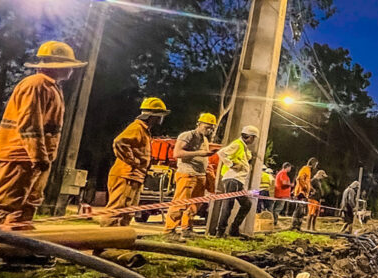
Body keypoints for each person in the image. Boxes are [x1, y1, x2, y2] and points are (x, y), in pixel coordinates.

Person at [0, 42, 86, 229]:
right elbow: (29, 125)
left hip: (34, 158)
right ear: (57, 66)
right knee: (4, 202)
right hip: (21, 155)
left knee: (27, 203)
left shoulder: (51, 87)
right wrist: (38, 156)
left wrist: (43, 158)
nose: (72, 69)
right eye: (69, 64)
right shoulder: (36, 85)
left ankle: (16, 247)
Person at [99, 97, 169, 227]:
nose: (161, 119)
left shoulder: (144, 131)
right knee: (117, 210)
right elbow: (119, 142)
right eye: (160, 115)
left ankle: (118, 240)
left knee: (128, 211)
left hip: (134, 176)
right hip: (126, 175)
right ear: (152, 116)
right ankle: (105, 240)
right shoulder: (137, 128)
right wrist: (134, 161)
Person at [163, 112, 217, 241]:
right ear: (198, 124)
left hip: (199, 175)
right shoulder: (187, 135)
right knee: (180, 204)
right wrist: (200, 153)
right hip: (187, 173)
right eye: (207, 127)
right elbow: (177, 153)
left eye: (211, 128)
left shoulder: (204, 139)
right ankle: (169, 230)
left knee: (194, 205)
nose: (209, 130)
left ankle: (187, 229)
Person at [212, 125, 259, 238]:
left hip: (237, 180)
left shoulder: (243, 147)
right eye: (253, 138)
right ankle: (221, 231)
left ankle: (233, 229)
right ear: (249, 137)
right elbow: (221, 153)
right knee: (228, 204)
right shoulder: (238, 144)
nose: (253, 141)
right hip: (232, 179)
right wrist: (232, 165)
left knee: (246, 204)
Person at [290, 157, 318, 230]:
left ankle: (298, 226)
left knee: (302, 211)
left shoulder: (308, 171)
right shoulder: (305, 169)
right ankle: (294, 225)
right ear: (313, 164)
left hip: (304, 193)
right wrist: (305, 188)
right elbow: (299, 179)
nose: (316, 166)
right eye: (316, 164)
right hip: (300, 193)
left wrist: (311, 189)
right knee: (299, 209)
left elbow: (307, 182)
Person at [271, 162, 293, 227]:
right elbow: (284, 183)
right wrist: (290, 184)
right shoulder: (283, 173)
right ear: (287, 167)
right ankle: (274, 222)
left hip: (280, 193)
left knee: (276, 208)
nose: (290, 169)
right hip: (281, 194)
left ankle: (273, 221)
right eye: (290, 168)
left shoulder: (281, 173)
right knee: (278, 208)